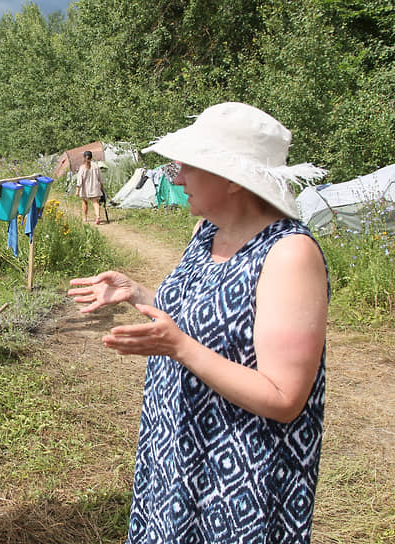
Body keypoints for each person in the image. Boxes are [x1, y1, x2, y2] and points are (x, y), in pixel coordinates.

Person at [68, 102, 329, 542]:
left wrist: (178, 347)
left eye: (188, 165)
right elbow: (204, 321)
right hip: (177, 445)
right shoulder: (206, 231)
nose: (177, 176)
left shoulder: (289, 254)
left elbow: (284, 398)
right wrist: (139, 294)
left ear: (231, 180)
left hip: (238, 468)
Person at [76, 149, 104, 224]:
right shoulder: (96, 166)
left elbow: (79, 180)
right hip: (95, 187)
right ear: (91, 157)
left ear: (84, 157)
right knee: (95, 202)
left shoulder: (82, 167)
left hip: (85, 188)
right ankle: (98, 216)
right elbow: (100, 178)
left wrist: (77, 190)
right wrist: (101, 186)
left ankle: (84, 218)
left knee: (85, 202)